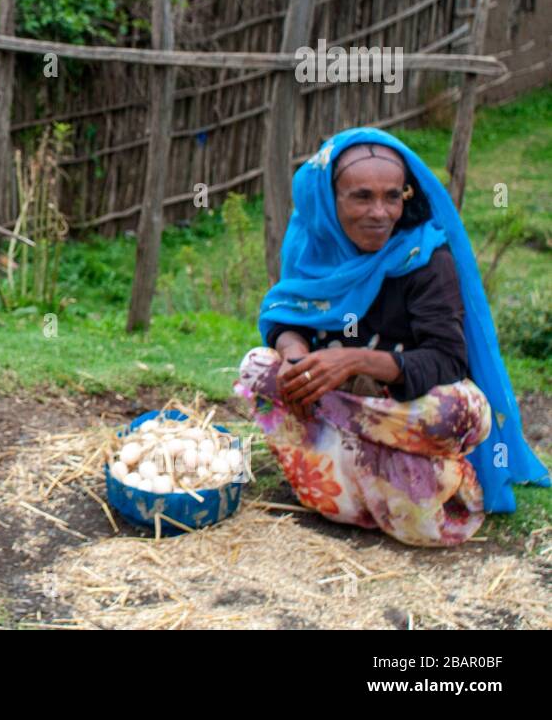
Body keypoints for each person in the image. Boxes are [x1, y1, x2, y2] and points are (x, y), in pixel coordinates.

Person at [234, 127, 549, 546]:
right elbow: (288, 313)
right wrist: (293, 355)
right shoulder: (313, 247)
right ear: (329, 200)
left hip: (402, 403)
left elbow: (448, 359)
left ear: (407, 196)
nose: (379, 212)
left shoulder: (424, 258)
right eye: (361, 196)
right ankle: (358, 476)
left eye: (392, 196)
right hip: (336, 394)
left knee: (466, 410)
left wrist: (355, 360)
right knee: (258, 367)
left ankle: (347, 461)